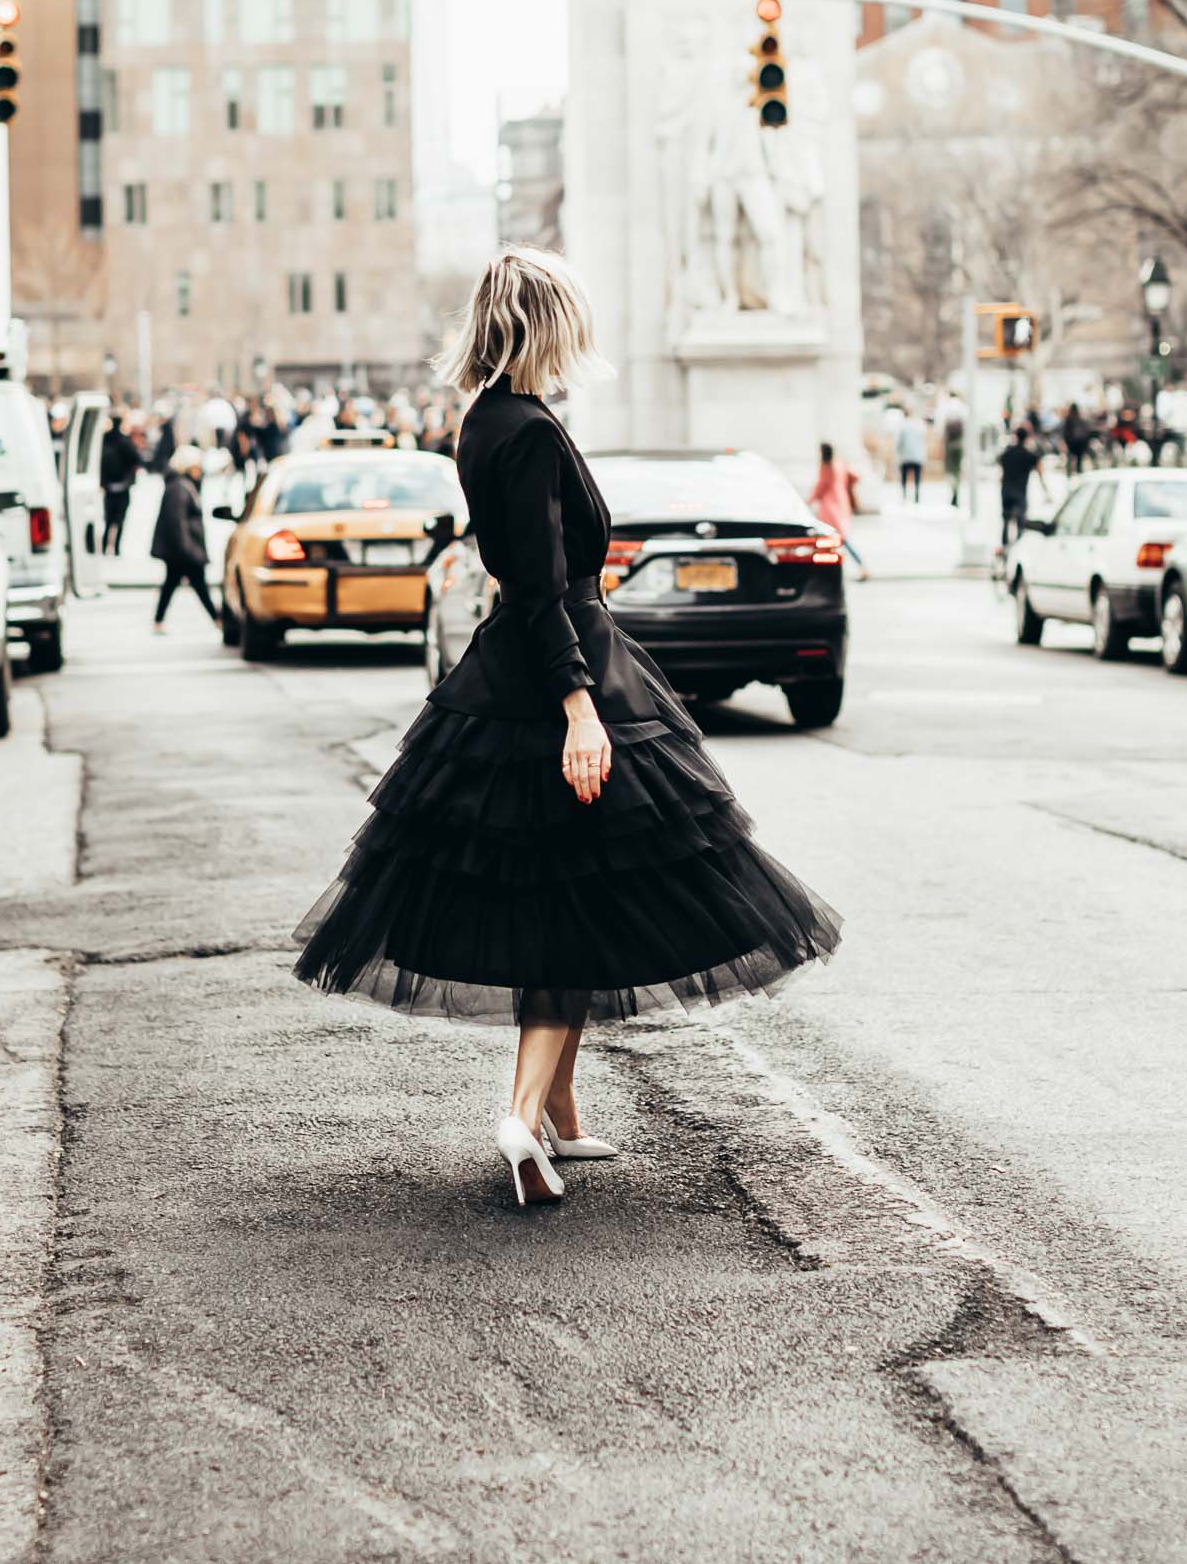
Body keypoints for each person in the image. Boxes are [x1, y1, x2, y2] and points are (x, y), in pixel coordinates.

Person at [294, 247, 841, 1208]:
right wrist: (580, 706)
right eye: (575, 320)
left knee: (569, 892)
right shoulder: (535, 432)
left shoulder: (484, 420)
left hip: (522, 663)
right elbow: (543, 584)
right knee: (570, 905)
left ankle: (564, 1113)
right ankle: (518, 1114)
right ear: (547, 324)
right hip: (565, 669)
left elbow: (524, 578)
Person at [151, 446, 218, 632]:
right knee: (198, 585)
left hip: (183, 549)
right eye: (197, 466)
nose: (200, 470)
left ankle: (158, 620)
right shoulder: (180, 487)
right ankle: (217, 618)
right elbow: (176, 521)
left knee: (172, 584)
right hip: (185, 549)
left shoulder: (181, 485)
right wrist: (187, 549)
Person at [809, 440, 862, 551]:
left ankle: (825, 561)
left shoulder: (826, 467)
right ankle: (860, 564)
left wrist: (808, 501)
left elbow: (820, 488)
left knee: (828, 535)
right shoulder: (839, 464)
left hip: (829, 507)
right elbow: (856, 476)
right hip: (842, 502)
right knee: (841, 536)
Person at [100, 411, 141, 555]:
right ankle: (113, 547)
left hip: (117, 486)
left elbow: (135, 460)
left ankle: (110, 547)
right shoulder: (121, 441)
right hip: (117, 487)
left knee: (111, 520)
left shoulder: (108, 440)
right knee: (116, 520)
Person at [997, 422, 1042, 546]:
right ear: (1026, 438)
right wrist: (1045, 489)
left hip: (1006, 491)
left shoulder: (1007, 452)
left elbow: (1000, 463)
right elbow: (1038, 467)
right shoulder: (1028, 454)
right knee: (1021, 522)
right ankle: (1018, 547)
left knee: (1006, 521)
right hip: (1020, 493)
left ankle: (1004, 547)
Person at [890, 403, 925, 502]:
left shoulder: (902, 425)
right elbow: (922, 439)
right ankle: (916, 495)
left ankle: (904, 495)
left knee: (904, 476)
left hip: (905, 456)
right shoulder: (919, 424)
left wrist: (897, 452)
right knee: (917, 476)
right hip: (917, 455)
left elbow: (898, 442)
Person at [938, 391, 966, 506]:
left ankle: (953, 490)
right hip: (960, 441)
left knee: (950, 468)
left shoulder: (945, 407)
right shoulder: (963, 407)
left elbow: (940, 425)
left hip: (949, 442)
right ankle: (957, 491)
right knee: (958, 468)